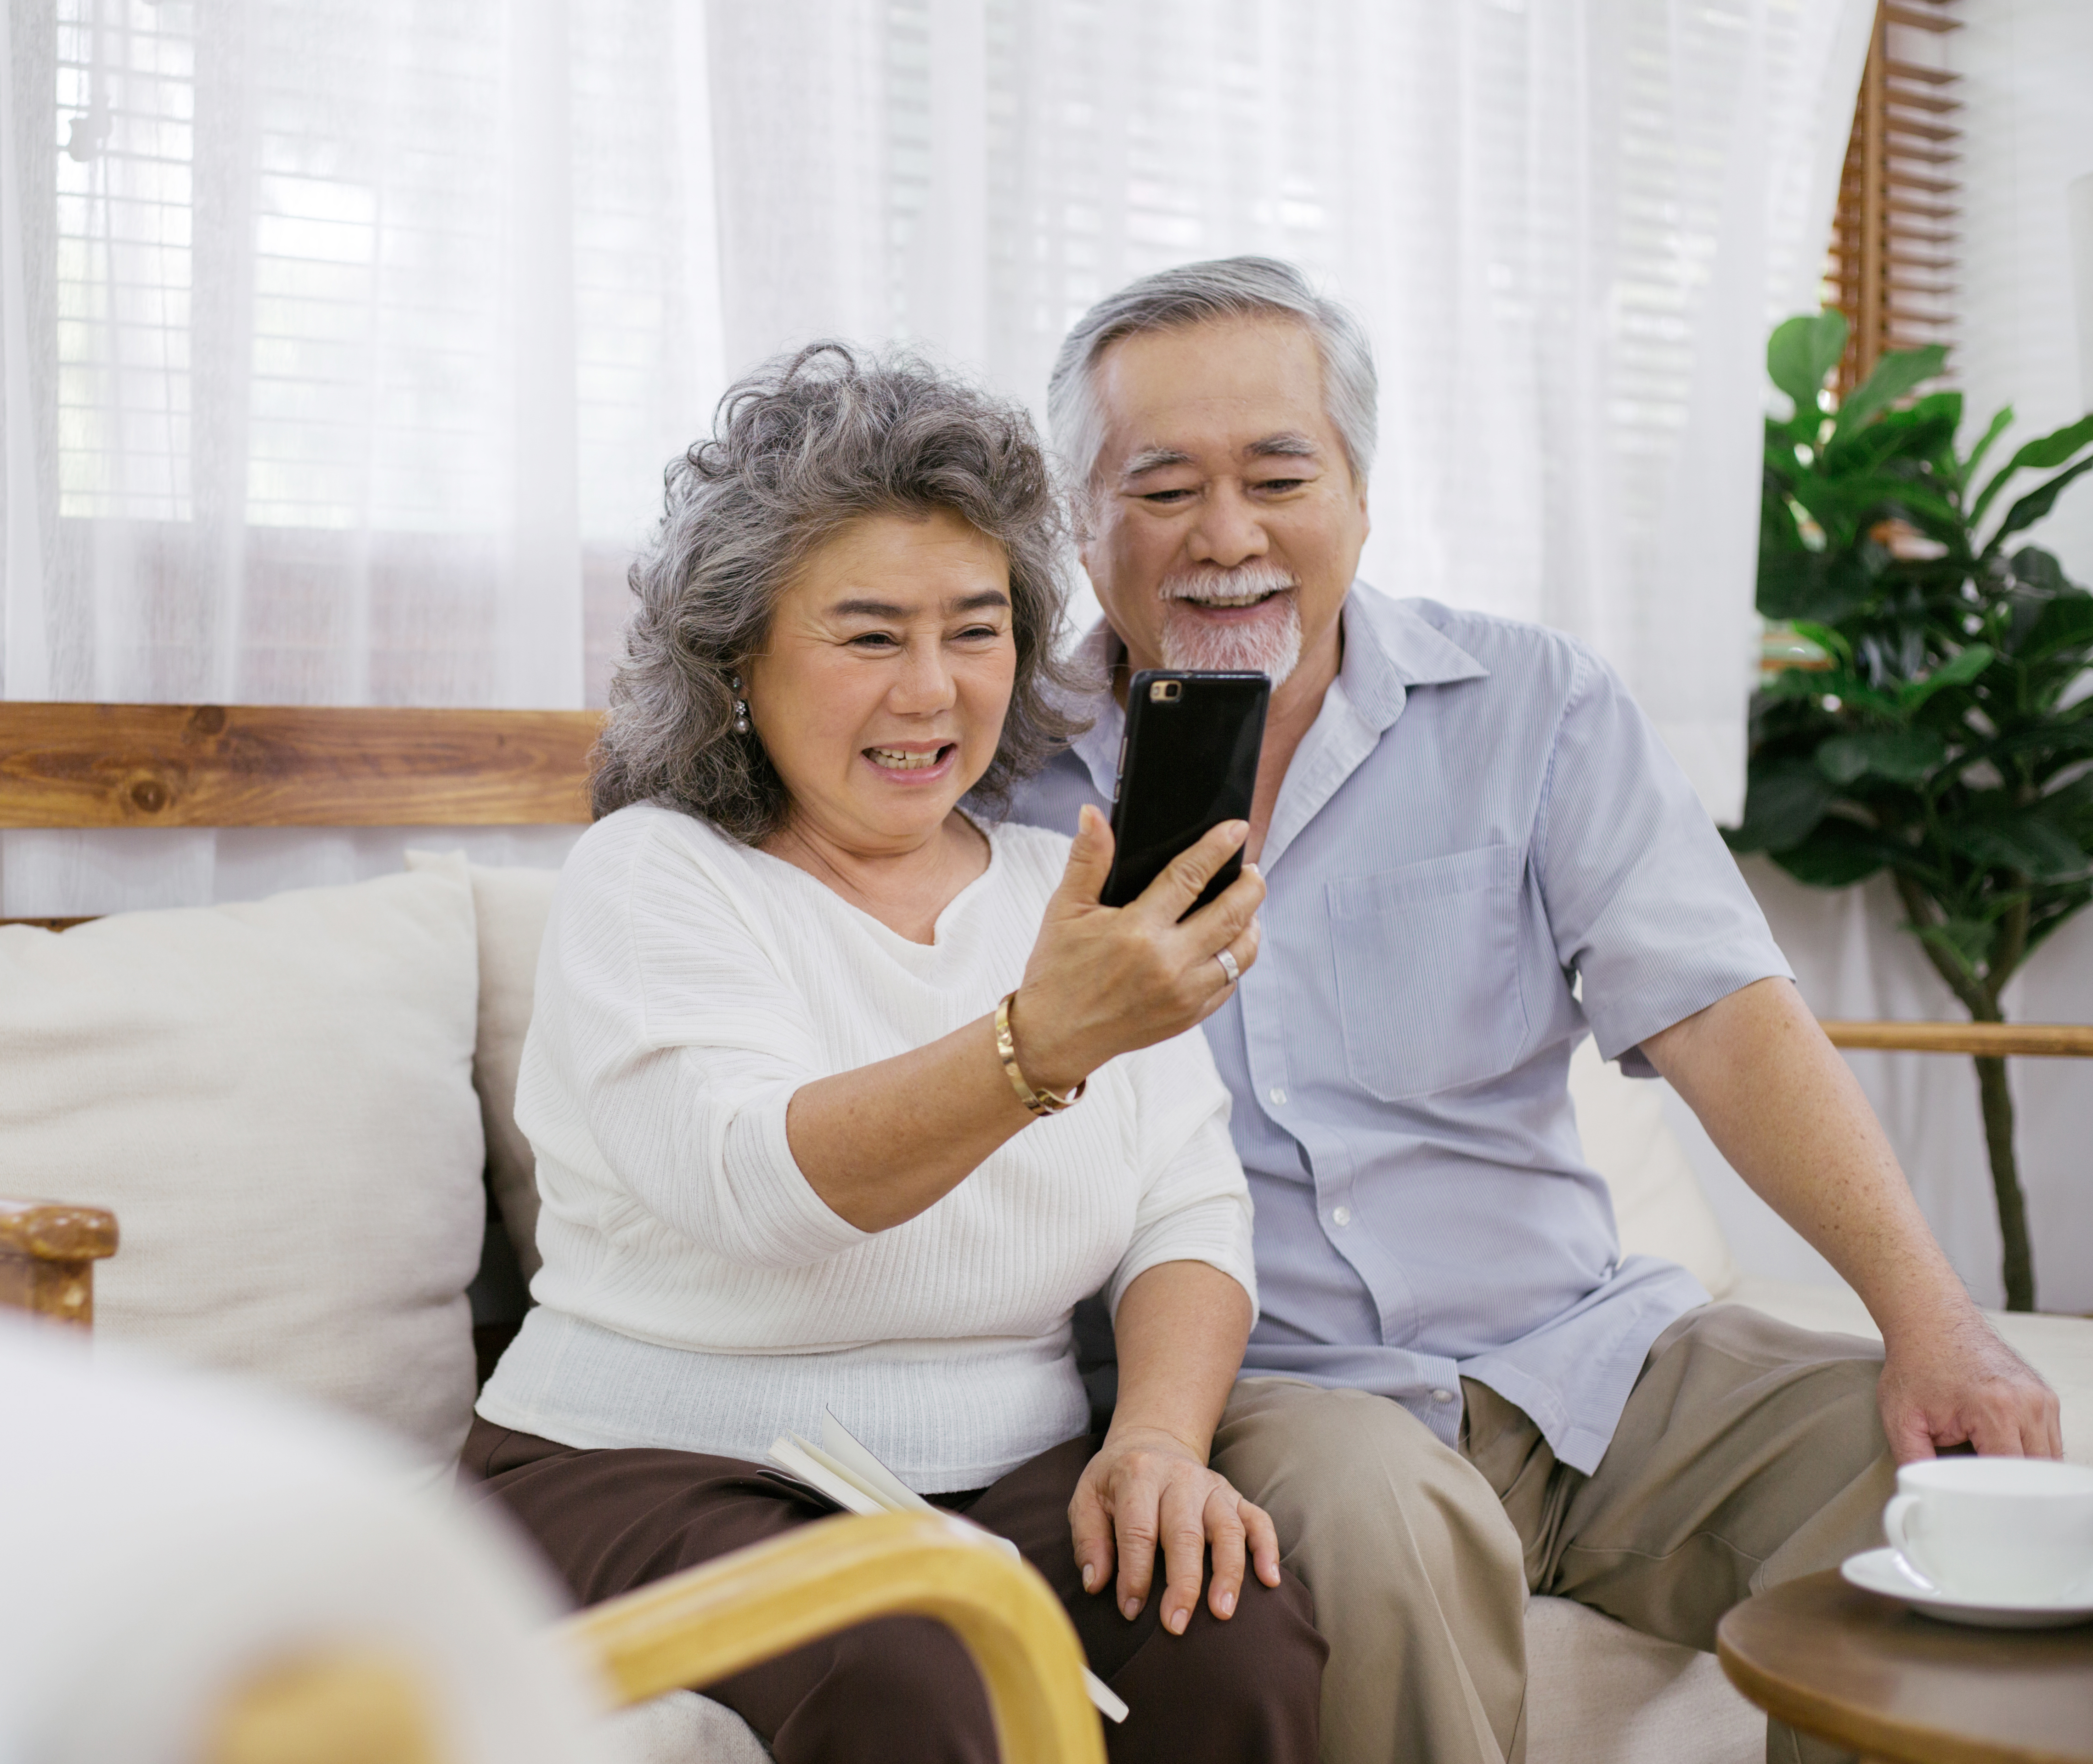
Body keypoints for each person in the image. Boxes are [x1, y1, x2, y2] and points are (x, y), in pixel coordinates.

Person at [1009, 257, 2065, 1764]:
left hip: (1591, 1362)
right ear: (1078, 518)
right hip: (1281, 1399)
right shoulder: (1003, 779)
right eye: (1161, 486)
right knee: (1383, 1517)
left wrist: (1937, 1323)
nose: (1227, 537)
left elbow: (1728, 1022)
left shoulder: (1535, 706)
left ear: (1361, 493)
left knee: (1943, 1495)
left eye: (1279, 473)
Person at [462, 341, 1327, 1764]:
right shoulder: (654, 877)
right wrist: (1040, 1044)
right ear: (737, 658)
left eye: (976, 630)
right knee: (916, 1677)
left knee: (1229, 1635)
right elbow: (760, 1188)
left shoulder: (1069, 880)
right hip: (651, 1470)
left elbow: (1188, 1204)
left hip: (1004, 1474)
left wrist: (1159, 1444)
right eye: (869, 636)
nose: (932, 691)